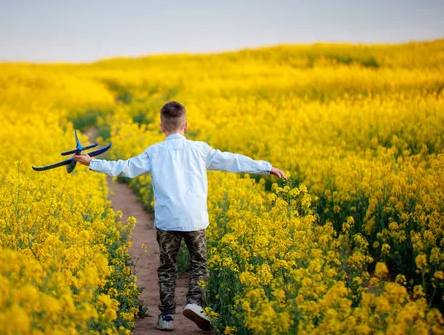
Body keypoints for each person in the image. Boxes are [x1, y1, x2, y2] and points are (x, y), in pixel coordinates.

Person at [74, 101, 287, 332]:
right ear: (186, 125)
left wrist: (92, 162)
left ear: (161, 127)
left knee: (167, 268)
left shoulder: (154, 152)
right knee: (199, 264)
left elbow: (125, 167)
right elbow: (231, 160)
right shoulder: (200, 149)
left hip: (167, 221)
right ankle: (195, 303)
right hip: (195, 219)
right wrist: (266, 167)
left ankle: (166, 317)